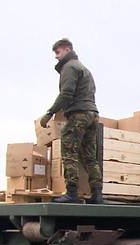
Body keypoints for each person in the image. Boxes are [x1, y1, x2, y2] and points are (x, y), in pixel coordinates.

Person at [40, 38, 103, 204]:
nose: (56, 56)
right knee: (90, 157)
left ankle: (72, 193)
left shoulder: (69, 67)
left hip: (78, 114)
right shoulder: (84, 68)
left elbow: (67, 93)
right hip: (92, 114)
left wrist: (50, 113)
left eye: (58, 52)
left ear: (67, 50)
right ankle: (97, 195)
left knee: (69, 152)